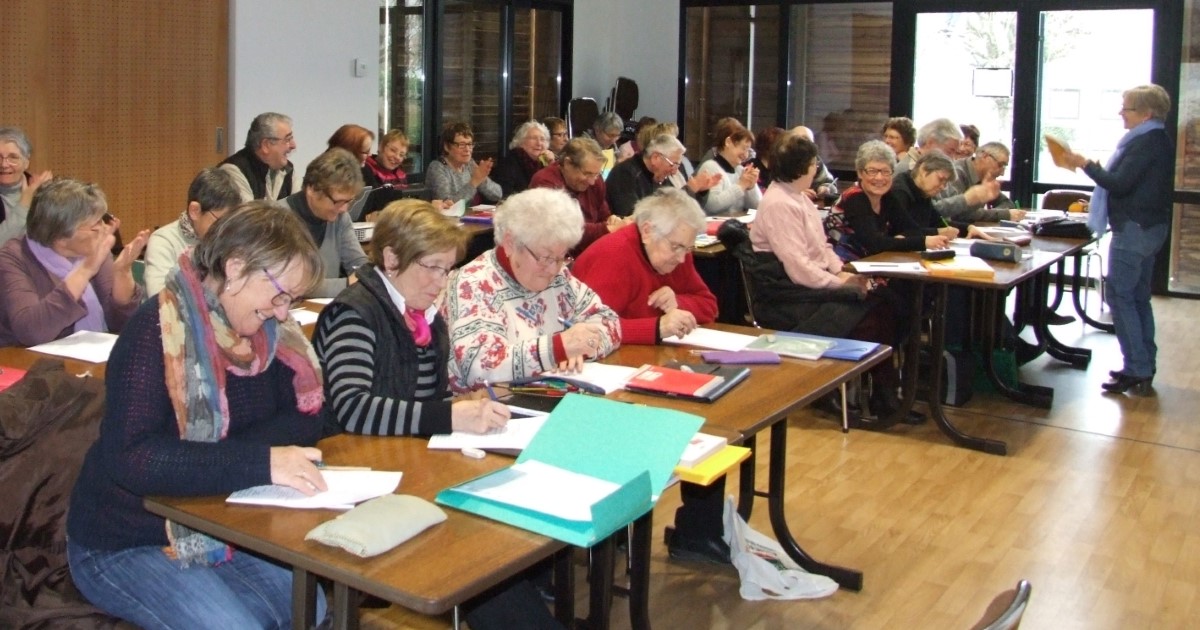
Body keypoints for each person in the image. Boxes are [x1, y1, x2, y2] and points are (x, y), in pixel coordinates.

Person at [65, 202, 329, 628]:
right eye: (279, 294)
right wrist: (257, 463)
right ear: (237, 267)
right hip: (128, 539)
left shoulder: (273, 334)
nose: (284, 312)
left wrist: (212, 464)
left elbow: (308, 418)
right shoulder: (157, 332)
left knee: (308, 608)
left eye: (292, 300)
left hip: (222, 524)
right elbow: (133, 459)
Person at [572, 188, 727, 563]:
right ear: (646, 230)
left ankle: (697, 531)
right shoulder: (611, 256)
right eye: (676, 248)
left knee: (713, 419)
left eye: (687, 250)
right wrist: (655, 327)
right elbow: (588, 332)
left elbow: (709, 303)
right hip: (603, 377)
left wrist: (679, 301)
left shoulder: (674, 250)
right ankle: (616, 536)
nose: (681, 257)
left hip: (651, 367)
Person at [313, 200, 511, 436]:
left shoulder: (426, 318)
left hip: (402, 452)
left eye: (446, 269)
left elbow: (424, 399)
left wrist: (465, 404)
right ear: (392, 259)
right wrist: (450, 416)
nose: (442, 282)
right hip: (356, 457)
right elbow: (353, 409)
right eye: (432, 267)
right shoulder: (354, 314)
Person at [747, 133, 902, 417]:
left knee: (885, 302)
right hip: (787, 293)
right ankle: (848, 390)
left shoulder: (801, 200)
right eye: (813, 163)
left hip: (809, 283)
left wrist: (841, 271)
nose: (816, 168)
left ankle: (882, 392)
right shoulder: (779, 203)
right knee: (874, 310)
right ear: (800, 166)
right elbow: (798, 267)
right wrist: (838, 284)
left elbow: (823, 249)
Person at [442, 188, 620, 392]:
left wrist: (583, 348)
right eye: (544, 257)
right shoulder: (473, 283)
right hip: (485, 411)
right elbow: (480, 368)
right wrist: (557, 349)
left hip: (545, 398)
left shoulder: (559, 277)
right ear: (510, 243)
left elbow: (609, 320)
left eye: (561, 257)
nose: (554, 269)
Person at [1062, 84, 1173, 395]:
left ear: (1146, 113)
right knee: (1138, 298)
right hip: (1150, 227)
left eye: (1127, 108)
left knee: (1120, 298)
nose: (1121, 113)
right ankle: (1144, 364)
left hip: (1135, 230)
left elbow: (1120, 184)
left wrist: (1087, 164)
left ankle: (1136, 367)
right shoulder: (1156, 139)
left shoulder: (1144, 143)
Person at [0, 179, 147, 347]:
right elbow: (32, 332)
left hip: (89, 360)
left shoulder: (93, 248)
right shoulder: (13, 258)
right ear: (61, 236)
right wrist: (85, 271)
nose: (102, 229)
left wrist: (122, 272)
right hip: (26, 363)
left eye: (102, 220)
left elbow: (121, 323)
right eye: (94, 225)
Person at [825, 140, 949, 262]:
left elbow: (912, 229)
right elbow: (874, 243)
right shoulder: (854, 197)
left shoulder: (887, 197)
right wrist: (923, 242)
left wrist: (902, 238)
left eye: (885, 172)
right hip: (843, 266)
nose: (879, 178)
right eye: (872, 171)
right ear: (860, 173)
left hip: (874, 261)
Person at [281, 148, 369, 297]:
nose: (344, 209)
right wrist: (347, 284)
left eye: (349, 201)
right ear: (312, 189)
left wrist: (367, 275)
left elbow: (358, 263)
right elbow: (291, 283)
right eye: (338, 201)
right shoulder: (276, 220)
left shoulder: (341, 218)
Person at [144, 167, 242, 295]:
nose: (225, 231)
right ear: (195, 211)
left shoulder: (230, 241)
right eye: (220, 222)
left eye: (230, 223)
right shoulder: (163, 242)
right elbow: (160, 300)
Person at [528, 137, 629, 255]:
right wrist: (607, 228)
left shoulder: (596, 181)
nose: (592, 181)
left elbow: (603, 213)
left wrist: (611, 220)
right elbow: (563, 231)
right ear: (567, 163)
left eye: (596, 174)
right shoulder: (545, 183)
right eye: (587, 174)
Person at [606, 133, 719, 217]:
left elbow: (682, 213)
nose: (675, 171)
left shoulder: (660, 175)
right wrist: (688, 191)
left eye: (677, 166)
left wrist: (700, 191)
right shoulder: (625, 174)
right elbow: (634, 216)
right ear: (656, 158)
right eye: (673, 165)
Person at [933, 141, 1026, 223]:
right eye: (1000, 165)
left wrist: (989, 213)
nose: (1002, 173)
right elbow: (959, 214)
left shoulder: (984, 176)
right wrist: (1001, 214)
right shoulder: (957, 173)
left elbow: (1007, 203)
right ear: (985, 156)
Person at [219, 112, 298, 202]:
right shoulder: (233, 171)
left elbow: (301, 208)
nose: (293, 145)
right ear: (266, 145)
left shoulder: (287, 169)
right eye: (287, 139)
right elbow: (250, 215)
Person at [426, 121, 502, 204]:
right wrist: (474, 182)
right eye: (461, 145)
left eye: (469, 144)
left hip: (472, 215)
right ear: (447, 147)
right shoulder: (437, 167)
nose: (467, 150)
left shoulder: (470, 164)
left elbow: (497, 195)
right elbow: (447, 203)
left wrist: (482, 178)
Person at [694, 122, 761, 215]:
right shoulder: (710, 167)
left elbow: (758, 206)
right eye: (743, 148)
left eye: (748, 150)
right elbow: (712, 206)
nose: (745, 155)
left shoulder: (740, 170)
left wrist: (751, 186)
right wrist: (741, 186)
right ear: (728, 142)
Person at [0, 126, 52, 244]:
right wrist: (25, 201)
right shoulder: (31, 193)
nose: (4, 164)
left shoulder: (43, 191)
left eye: (13, 157)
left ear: (26, 162)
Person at [493, 121, 555, 197]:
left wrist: (552, 164)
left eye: (542, 139)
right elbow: (505, 195)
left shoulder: (546, 162)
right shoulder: (509, 163)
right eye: (533, 138)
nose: (539, 143)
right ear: (521, 141)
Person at [896, 118, 961, 174]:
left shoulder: (934, 170)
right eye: (949, 152)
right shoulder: (909, 172)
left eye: (956, 153)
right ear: (930, 143)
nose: (953, 159)